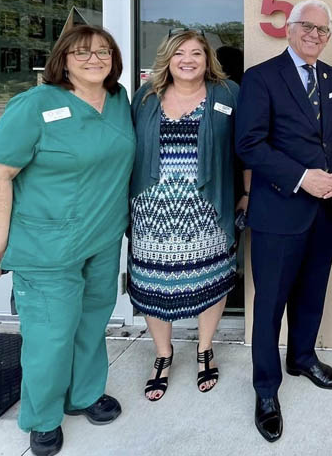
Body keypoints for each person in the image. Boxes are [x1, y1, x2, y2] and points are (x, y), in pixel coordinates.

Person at [0, 25, 134, 456]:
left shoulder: (119, 100)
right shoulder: (34, 105)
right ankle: (42, 417)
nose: (94, 59)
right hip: (46, 245)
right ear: (62, 59)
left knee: (91, 321)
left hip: (101, 238)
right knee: (50, 334)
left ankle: (84, 394)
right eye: (82, 53)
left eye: (103, 52)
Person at [235, 0, 332, 443]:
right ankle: (266, 389)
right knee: (269, 307)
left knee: (310, 296)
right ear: (289, 28)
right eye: (308, 26)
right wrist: (302, 178)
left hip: (325, 212)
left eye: (323, 30)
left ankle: (302, 357)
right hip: (279, 211)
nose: (315, 35)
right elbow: (249, 144)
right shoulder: (262, 78)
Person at [129, 29, 245, 400]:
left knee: (211, 280)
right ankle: (163, 354)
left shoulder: (228, 94)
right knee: (152, 285)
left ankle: (204, 348)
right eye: (180, 53)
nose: (188, 59)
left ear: (207, 58)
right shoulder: (145, 98)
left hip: (207, 208)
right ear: (168, 58)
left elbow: (245, 148)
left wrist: (247, 192)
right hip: (152, 208)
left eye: (196, 52)